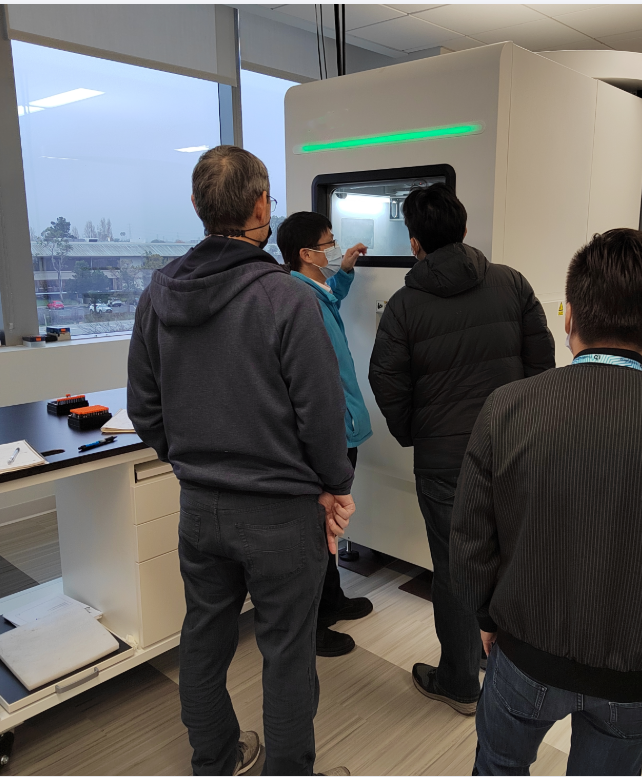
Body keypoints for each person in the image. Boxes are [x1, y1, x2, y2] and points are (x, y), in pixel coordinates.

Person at [451, 228, 642, 776]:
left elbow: (470, 540)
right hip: (638, 675)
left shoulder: (507, 409)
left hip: (524, 653)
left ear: (569, 316)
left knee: (498, 766)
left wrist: (483, 613)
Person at [127, 146, 354, 777]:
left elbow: (144, 407)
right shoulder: (286, 298)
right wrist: (335, 484)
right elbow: (321, 414)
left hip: (200, 509)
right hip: (283, 514)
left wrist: (189, 461)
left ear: (196, 206)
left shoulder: (156, 296)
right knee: (287, 653)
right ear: (260, 207)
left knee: (203, 638)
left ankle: (215, 759)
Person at [368, 182, 555, 716]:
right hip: (513, 452)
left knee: (454, 571)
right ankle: (506, 666)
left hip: (445, 463)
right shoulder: (512, 283)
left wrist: (417, 432)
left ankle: (458, 681)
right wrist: (527, 427)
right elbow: (542, 364)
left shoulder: (404, 305)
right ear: (466, 228)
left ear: (414, 242)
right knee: (509, 556)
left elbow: (386, 381)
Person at [277, 211, 375, 658]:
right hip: (329, 433)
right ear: (306, 254)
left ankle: (332, 600)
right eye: (329, 244)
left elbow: (331, 294)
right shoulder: (299, 299)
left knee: (329, 525)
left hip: (341, 428)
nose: (334, 249)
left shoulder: (311, 290)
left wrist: (347, 271)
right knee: (320, 530)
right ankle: (313, 626)